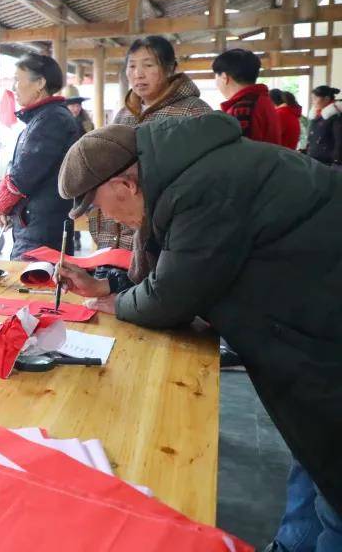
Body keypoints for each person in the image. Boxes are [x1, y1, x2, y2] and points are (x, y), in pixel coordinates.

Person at [56, 117, 342, 552]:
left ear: (126, 185)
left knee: (334, 473)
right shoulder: (190, 172)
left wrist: (122, 302)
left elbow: (173, 294)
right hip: (311, 316)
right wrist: (110, 288)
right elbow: (183, 269)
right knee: (316, 460)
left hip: (323, 325)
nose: (105, 217)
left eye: (98, 205)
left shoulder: (205, 187)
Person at [91, 35, 210, 251]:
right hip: (118, 237)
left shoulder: (193, 112)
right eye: (132, 66)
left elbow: (204, 177)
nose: (138, 74)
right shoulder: (123, 115)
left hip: (166, 235)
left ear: (169, 68)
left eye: (148, 65)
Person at [0, 53, 79, 259]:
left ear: (40, 83)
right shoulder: (45, 117)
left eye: (17, 80)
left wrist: (0, 204)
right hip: (36, 225)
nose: (14, 87)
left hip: (42, 231)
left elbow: (24, 174)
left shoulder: (51, 119)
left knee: (31, 286)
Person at [213, 49, 282, 145]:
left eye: (216, 76)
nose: (216, 83)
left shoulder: (243, 108)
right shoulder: (262, 100)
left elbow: (240, 154)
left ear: (224, 77)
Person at [307, 85, 342, 166]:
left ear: (326, 99)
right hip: (314, 159)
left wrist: (336, 161)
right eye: (312, 98)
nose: (313, 101)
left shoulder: (336, 117)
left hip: (327, 162)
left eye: (315, 98)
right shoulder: (317, 115)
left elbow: (339, 142)